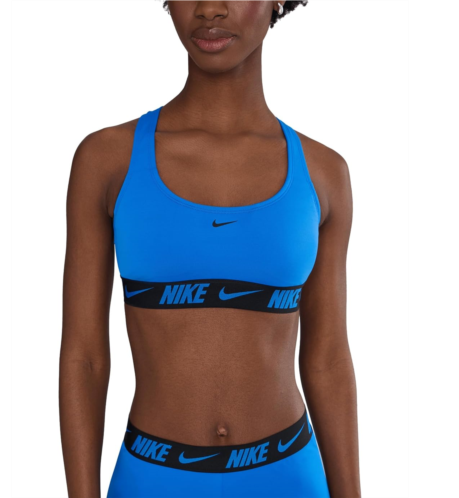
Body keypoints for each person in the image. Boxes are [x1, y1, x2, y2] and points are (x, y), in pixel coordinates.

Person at [60, 1, 360, 497]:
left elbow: (327, 360)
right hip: (153, 477)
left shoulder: (325, 173)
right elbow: (84, 357)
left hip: (288, 476)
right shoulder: (106, 160)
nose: (209, 9)